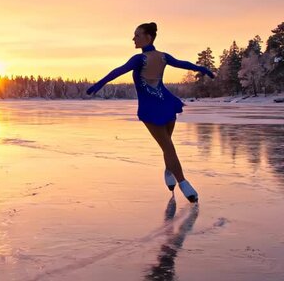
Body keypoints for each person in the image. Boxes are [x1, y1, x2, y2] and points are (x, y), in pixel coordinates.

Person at [86, 22, 214, 203]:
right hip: (151, 107)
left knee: (167, 145)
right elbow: (118, 71)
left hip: (165, 103)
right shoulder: (143, 59)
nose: (133, 39)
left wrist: (202, 69)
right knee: (168, 146)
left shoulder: (156, 57)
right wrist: (98, 84)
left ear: (148, 37)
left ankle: (170, 170)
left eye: (137, 35)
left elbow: (181, 63)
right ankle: (183, 183)